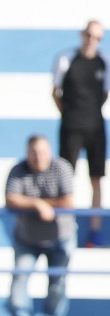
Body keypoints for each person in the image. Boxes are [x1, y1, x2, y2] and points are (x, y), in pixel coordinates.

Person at [5, 135, 76, 316]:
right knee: (20, 277)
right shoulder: (18, 170)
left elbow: (68, 201)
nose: (39, 157)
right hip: (27, 239)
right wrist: (37, 204)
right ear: (27, 153)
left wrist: (39, 203)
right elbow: (10, 199)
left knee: (57, 283)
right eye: (34, 152)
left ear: (50, 151)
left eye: (43, 152)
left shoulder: (61, 167)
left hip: (60, 237)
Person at [52, 20, 109, 247]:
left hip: (95, 128)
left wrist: (90, 114)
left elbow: (104, 93)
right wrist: (70, 115)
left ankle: (94, 230)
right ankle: (67, 228)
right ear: (82, 34)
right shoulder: (66, 59)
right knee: (67, 177)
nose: (91, 41)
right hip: (71, 128)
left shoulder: (104, 61)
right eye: (88, 35)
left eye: (97, 37)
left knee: (96, 178)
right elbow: (55, 92)